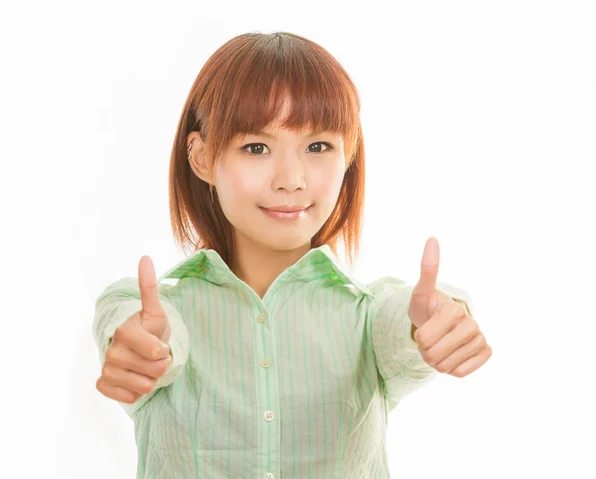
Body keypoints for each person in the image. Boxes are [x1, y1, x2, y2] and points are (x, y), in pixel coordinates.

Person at [92, 31, 492, 479]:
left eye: (318, 146)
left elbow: (402, 323)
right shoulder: (161, 313)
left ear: (348, 154)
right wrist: (140, 347)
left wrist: (437, 319)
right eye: (256, 147)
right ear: (201, 157)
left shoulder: (366, 315)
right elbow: (139, 328)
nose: (291, 180)